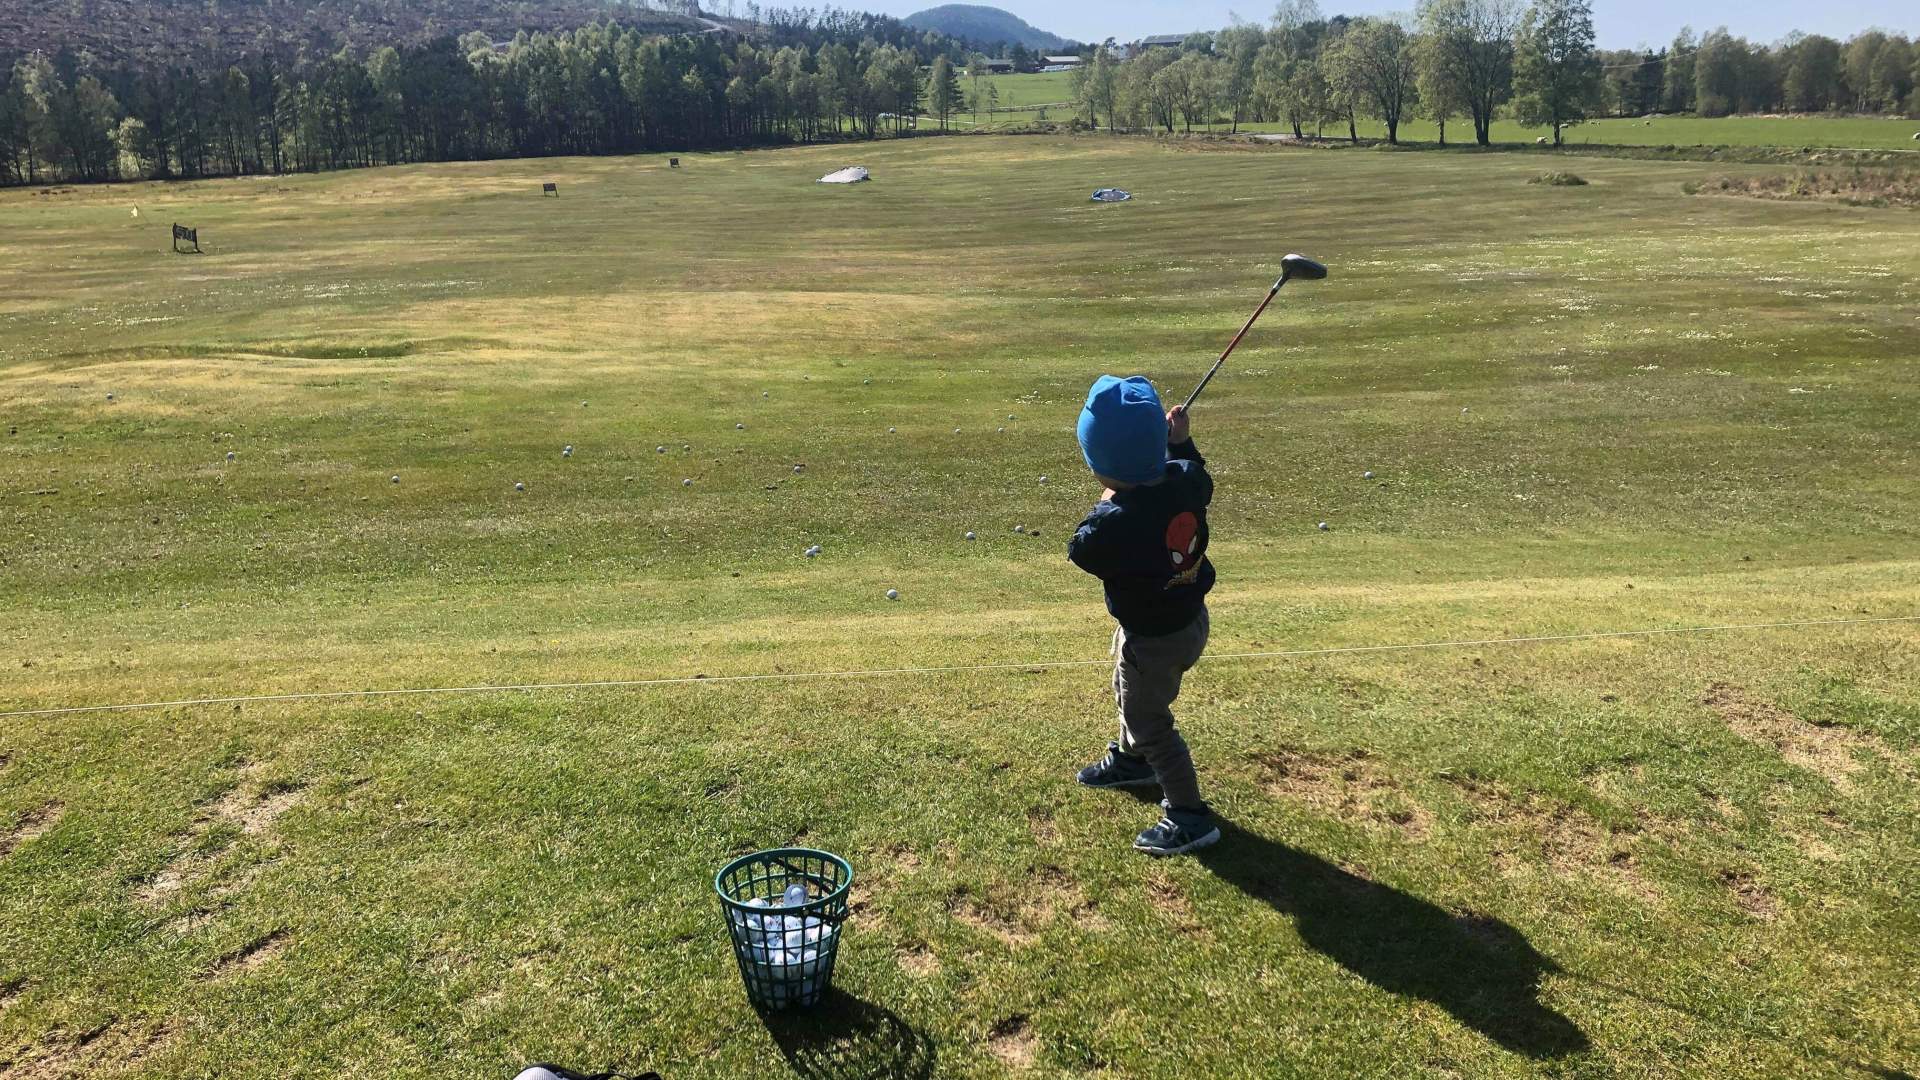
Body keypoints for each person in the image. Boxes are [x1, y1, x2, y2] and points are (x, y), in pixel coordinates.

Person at [1067, 375, 1219, 856]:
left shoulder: (1116, 522)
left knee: (1148, 717)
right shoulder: (1185, 480)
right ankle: (1133, 761)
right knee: (1126, 685)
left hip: (1155, 637)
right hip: (1186, 619)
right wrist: (1181, 442)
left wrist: (1110, 502)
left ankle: (1189, 815)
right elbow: (1196, 472)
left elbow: (1083, 549)